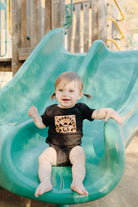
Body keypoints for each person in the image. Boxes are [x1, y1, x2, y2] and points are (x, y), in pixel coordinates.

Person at [28, 71, 123, 197]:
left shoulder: (81, 108)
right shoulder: (51, 110)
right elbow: (41, 124)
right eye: (61, 90)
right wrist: (35, 116)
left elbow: (95, 113)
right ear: (55, 92)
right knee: (43, 158)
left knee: (80, 156)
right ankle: (45, 182)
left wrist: (107, 111)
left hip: (74, 148)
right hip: (55, 149)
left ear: (79, 95)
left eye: (71, 91)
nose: (65, 94)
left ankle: (77, 182)